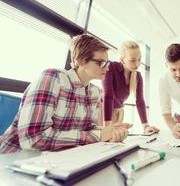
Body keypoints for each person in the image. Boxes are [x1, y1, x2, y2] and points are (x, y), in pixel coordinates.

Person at [0, 34, 131, 154]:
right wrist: (99, 135)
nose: (107, 68)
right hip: (14, 159)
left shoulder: (94, 92)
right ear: (81, 61)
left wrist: (110, 133)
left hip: (54, 160)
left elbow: (88, 131)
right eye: (101, 63)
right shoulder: (53, 78)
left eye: (107, 63)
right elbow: (32, 140)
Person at [102, 41, 159, 133]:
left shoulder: (137, 76)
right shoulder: (111, 67)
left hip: (118, 113)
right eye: (132, 60)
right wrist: (107, 127)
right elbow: (108, 96)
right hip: (104, 112)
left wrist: (146, 126)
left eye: (139, 59)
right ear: (122, 60)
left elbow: (140, 101)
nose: (137, 64)